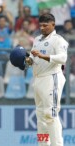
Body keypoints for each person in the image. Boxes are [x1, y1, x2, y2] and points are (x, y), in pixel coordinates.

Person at [25, 13, 68, 146]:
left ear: (53, 25)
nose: (42, 28)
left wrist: (44, 56)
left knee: (51, 114)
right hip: (38, 79)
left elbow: (63, 58)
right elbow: (33, 58)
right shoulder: (37, 39)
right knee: (41, 116)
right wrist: (28, 60)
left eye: (46, 25)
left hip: (52, 78)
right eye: (41, 25)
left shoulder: (58, 40)